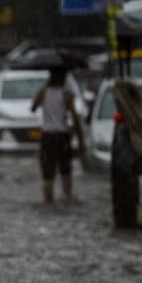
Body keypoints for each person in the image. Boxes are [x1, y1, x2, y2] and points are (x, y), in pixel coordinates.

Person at [30, 67, 85, 203]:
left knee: (48, 171)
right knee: (65, 170)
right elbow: (75, 117)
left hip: (47, 136)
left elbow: (33, 108)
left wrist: (42, 95)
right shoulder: (67, 95)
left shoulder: (43, 93)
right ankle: (67, 197)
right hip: (62, 136)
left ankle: (49, 200)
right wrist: (80, 137)